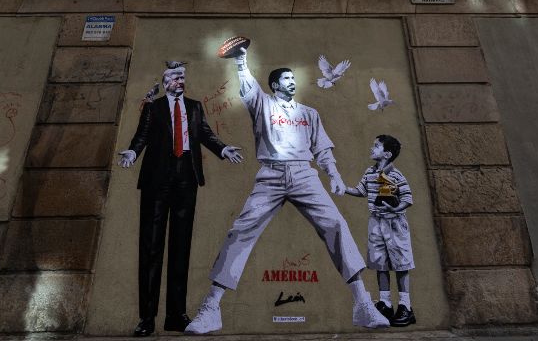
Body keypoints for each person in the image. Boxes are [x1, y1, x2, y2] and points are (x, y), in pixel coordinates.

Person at [185, 46, 389, 333]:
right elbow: (248, 86)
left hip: (305, 174)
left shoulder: (309, 113)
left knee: (336, 225)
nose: (292, 81)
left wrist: (334, 175)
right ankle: (211, 308)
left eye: (294, 78)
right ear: (274, 85)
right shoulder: (262, 105)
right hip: (271, 174)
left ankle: (363, 305)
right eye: (286, 78)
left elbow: (323, 149)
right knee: (240, 231)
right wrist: (241, 61)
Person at [118, 61, 243, 336]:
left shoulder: (195, 107)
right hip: (157, 180)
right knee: (151, 248)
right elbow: (142, 136)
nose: (180, 80)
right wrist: (132, 153)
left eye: (182, 76)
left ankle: (176, 315)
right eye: (175, 76)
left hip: (187, 178)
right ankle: (147, 318)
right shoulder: (154, 107)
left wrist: (223, 150)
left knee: (180, 248)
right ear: (165, 81)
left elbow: (205, 135)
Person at [345, 134, 416, 327]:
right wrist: (343, 188)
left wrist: (396, 208)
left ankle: (405, 306)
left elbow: (408, 198)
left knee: (401, 264)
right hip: (375, 223)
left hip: (394, 223)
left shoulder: (396, 175)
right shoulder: (369, 172)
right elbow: (361, 191)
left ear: (387, 153)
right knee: (380, 263)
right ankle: (385, 302)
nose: (371, 148)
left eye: (376, 146)